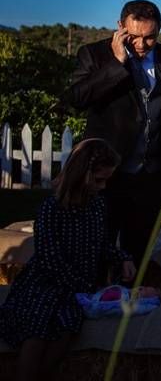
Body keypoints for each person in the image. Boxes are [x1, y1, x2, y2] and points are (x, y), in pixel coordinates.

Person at [63, 0, 161, 265]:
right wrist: (116, 63)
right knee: (98, 248)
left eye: (150, 38)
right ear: (120, 27)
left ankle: (131, 301)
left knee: (140, 253)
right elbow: (76, 99)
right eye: (134, 37)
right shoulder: (94, 55)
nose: (141, 45)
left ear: (160, 29)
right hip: (106, 176)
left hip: (152, 176)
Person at [0, 139, 136, 381]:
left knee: (66, 331)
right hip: (46, 283)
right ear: (81, 174)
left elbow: (100, 244)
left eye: (106, 180)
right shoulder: (52, 208)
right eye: (98, 180)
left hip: (76, 289)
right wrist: (79, 286)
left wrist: (122, 257)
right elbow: (49, 256)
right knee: (37, 329)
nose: (103, 187)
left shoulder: (96, 206)